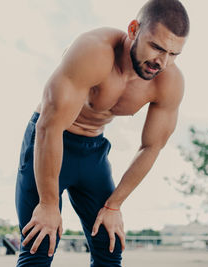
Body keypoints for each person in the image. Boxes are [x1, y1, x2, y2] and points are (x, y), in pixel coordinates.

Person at [14, 0, 190, 266]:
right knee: (40, 244)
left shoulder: (169, 81)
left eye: (174, 54)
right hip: (49, 142)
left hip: (92, 152)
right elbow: (49, 126)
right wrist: (48, 204)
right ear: (133, 29)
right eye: (156, 47)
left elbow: (151, 147)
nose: (162, 62)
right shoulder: (93, 51)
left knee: (110, 246)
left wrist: (113, 205)